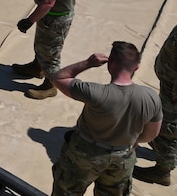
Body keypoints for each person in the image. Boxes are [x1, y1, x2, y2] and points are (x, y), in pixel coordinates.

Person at [50, 42, 162, 196]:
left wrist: (87, 63)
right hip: (122, 157)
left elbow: (58, 78)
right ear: (137, 67)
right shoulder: (151, 98)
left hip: (84, 155)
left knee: (66, 191)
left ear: (110, 63)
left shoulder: (95, 93)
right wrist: (131, 142)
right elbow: (152, 134)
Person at [135, 24, 177, 186]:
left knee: (168, 128)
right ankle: (162, 146)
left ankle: (162, 171)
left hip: (173, 87)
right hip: (170, 81)